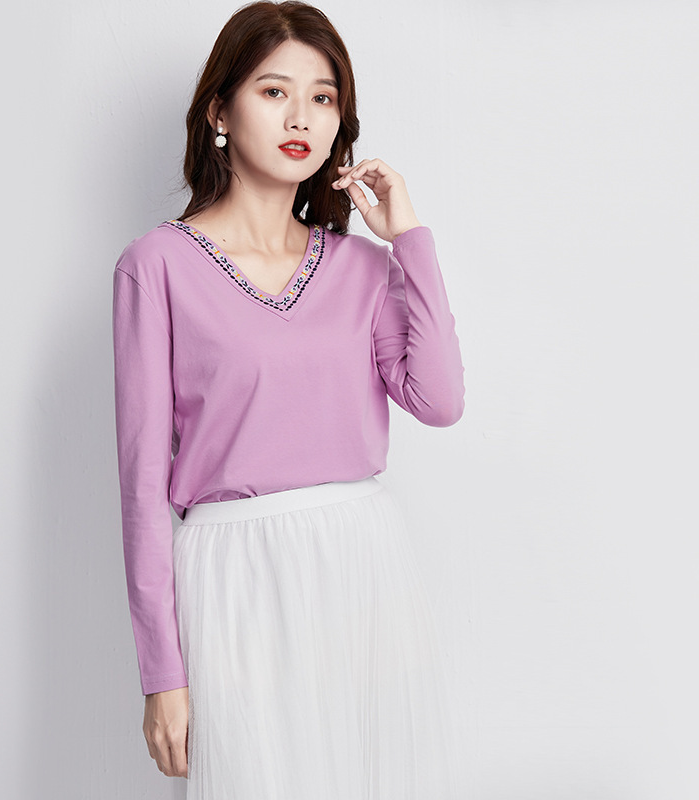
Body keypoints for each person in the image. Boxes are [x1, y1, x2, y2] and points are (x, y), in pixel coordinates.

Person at [112, 1, 466, 797]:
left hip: (362, 567)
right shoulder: (156, 267)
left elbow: (439, 401)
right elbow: (140, 486)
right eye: (274, 92)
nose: (301, 116)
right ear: (219, 112)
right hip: (233, 576)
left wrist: (408, 239)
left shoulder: (365, 269)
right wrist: (162, 675)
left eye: (323, 97)